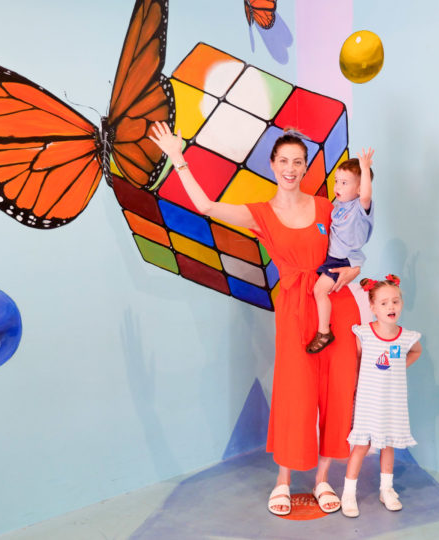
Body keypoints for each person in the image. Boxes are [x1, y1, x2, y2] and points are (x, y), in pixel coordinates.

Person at [149, 122, 361, 516]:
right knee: (295, 389)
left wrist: (352, 272)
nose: (291, 168)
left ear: (306, 165)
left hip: (336, 302)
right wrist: (178, 157)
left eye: (298, 161)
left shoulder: (327, 207)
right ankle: (283, 480)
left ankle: (323, 478)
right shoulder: (261, 214)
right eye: (284, 161)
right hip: (295, 307)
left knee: (337, 388)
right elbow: (206, 207)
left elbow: (352, 246)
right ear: (272, 165)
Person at [340, 274, 422, 518]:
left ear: (401, 305)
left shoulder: (407, 337)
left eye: (395, 301)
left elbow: (415, 352)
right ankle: (348, 492)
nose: (391, 307)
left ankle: (386, 489)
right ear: (373, 307)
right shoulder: (364, 333)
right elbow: (354, 361)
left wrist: (398, 367)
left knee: (388, 444)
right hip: (368, 402)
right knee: (361, 445)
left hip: (392, 403)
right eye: (384, 303)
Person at [307, 151, 375, 354]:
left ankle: (324, 332)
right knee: (319, 292)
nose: (337, 186)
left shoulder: (359, 207)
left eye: (345, 183)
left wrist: (364, 169)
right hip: (331, 257)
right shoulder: (338, 205)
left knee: (319, 291)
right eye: (337, 181)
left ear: (359, 187)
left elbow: (366, 195)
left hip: (341, 259)